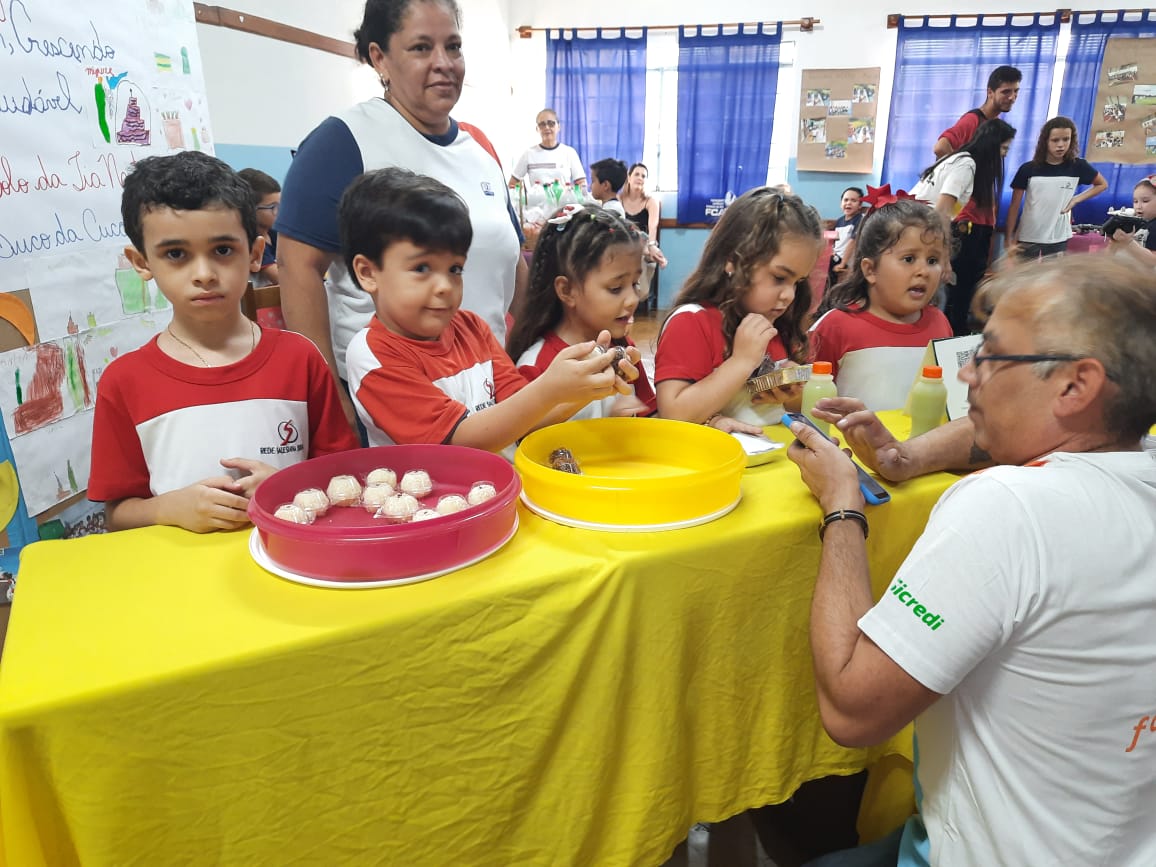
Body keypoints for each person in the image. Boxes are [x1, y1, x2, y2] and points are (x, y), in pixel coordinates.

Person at [789, 253, 1156, 867]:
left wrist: (842, 506)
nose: (967, 375)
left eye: (990, 356)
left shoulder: (1010, 508)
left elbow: (852, 710)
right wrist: (904, 458)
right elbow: (1017, 434)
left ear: (1076, 386)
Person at [274, 0, 525, 432]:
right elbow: (297, 268)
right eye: (421, 47)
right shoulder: (342, 141)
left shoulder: (480, 148)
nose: (444, 63)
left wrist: (528, 362)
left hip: (483, 386)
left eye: (453, 46)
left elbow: (513, 262)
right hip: (392, 401)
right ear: (380, 58)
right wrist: (333, 403)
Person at [89, 152, 358, 534]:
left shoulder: (300, 358)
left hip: (287, 560)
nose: (204, 274)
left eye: (222, 250)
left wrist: (286, 487)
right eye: (176, 254)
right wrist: (168, 508)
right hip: (182, 569)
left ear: (255, 254)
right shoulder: (124, 381)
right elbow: (117, 516)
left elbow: (343, 480)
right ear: (141, 262)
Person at [340, 168, 636, 451]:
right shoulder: (372, 355)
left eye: (455, 269)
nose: (444, 286)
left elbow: (523, 418)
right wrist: (549, 389)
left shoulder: (472, 328)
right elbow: (458, 444)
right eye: (421, 268)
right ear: (368, 273)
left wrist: (588, 386)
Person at [654, 187, 823, 434]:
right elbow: (673, 415)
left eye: (797, 282)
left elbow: (787, 410)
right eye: (779, 277)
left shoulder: (776, 325)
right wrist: (741, 361)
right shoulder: (691, 322)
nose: (789, 295)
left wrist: (791, 393)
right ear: (732, 260)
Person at [507, 204, 656, 420]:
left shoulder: (624, 350)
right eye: (615, 288)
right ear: (567, 290)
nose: (633, 299)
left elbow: (650, 415)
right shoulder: (536, 365)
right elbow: (524, 434)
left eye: (635, 284)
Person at [810, 200, 952, 411]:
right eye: (909, 259)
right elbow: (807, 401)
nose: (923, 271)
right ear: (870, 270)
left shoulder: (940, 323)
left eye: (932, 260)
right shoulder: (835, 326)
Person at [912, 118, 1016, 336]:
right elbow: (941, 213)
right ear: (991, 145)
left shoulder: (958, 160)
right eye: (1004, 148)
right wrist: (944, 258)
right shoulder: (966, 165)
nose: (1005, 155)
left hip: (918, 230)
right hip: (917, 231)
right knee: (939, 293)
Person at [1005, 116, 1108, 260]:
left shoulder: (1078, 166)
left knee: (1053, 274)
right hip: (1028, 235)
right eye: (1055, 140)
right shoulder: (1028, 169)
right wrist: (1008, 238)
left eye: (1066, 139)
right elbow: (1014, 206)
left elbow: (1102, 184)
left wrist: (1075, 200)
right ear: (1045, 141)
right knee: (1025, 273)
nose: (1061, 145)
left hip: (1058, 237)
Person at [932, 65, 1021, 158]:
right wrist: (961, 166)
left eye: (1016, 91)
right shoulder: (972, 120)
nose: (1012, 97)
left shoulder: (995, 123)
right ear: (990, 92)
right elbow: (940, 147)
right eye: (1005, 92)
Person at [620, 162, 667, 310]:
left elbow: (653, 226)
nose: (640, 178)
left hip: (644, 244)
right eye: (637, 174)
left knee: (648, 252)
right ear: (629, 177)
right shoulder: (619, 199)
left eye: (643, 176)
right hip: (623, 244)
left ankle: (638, 294)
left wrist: (651, 246)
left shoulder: (651, 201)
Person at [508, 108, 586, 191]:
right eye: (542, 124)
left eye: (551, 123)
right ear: (537, 129)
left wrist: (570, 193)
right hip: (536, 199)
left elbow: (582, 184)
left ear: (558, 126)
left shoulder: (569, 152)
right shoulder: (529, 154)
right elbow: (512, 184)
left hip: (564, 199)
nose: (547, 127)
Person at [237, 168, 282, 286]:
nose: (280, 212)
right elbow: (281, 279)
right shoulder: (252, 241)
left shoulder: (274, 233)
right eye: (273, 207)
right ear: (251, 210)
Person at [1107, 175, 1156, 267]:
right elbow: (1109, 256)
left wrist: (1128, 242)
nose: (1138, 206)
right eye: (1135, 201)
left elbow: (1153, 262)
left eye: (1145, 201)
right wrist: (1114, 242)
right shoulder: (1134, 222)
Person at [827, 186, 864, 288]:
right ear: (841, 203)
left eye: (853, 200)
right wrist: (831, 250)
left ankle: (831, 292)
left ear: (860, 205)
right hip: (836, 256)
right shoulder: (839, 221)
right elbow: (835, 241)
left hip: (846, 260)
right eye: (846, 200)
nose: (848, 203)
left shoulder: (860, 220)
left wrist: (843, 264)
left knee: (826, 264)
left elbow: (853, 242)